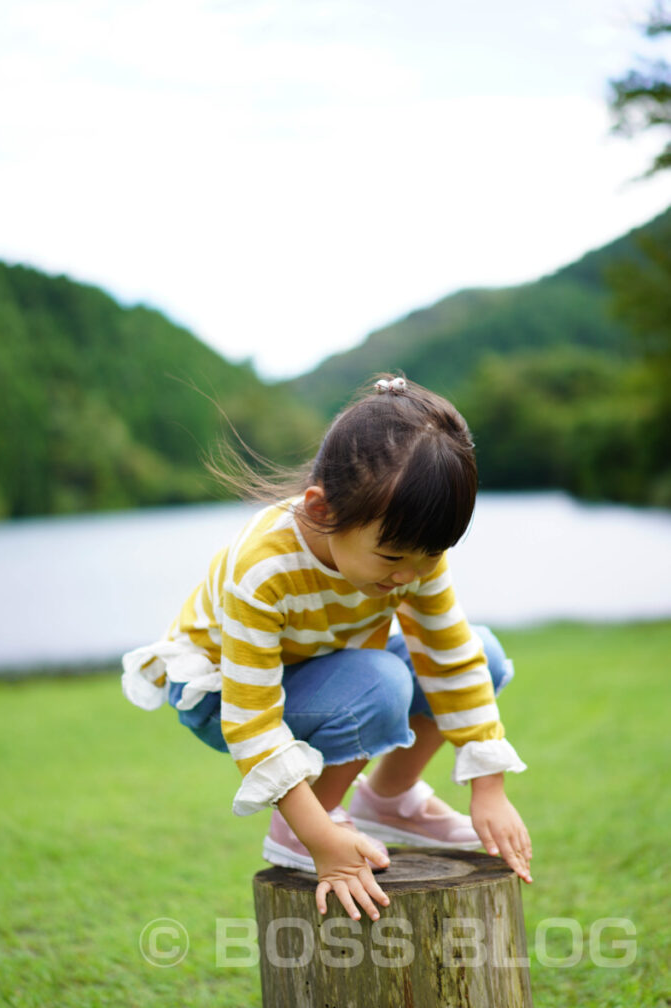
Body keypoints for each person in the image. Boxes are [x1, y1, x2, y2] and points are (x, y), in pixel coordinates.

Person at [122, 374, 531, 923]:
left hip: (322, 671)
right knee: (384, 680)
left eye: (429, 556)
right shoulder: (264, 567)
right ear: (319, 509)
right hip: (223, 695)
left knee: (484, 652)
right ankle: (304, 820)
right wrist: (318, 838)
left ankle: (389, 799)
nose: (410, 576)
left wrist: (489, 786)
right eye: (392, 559)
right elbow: (253, 719)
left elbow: (451, 653)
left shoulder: (412, 554)